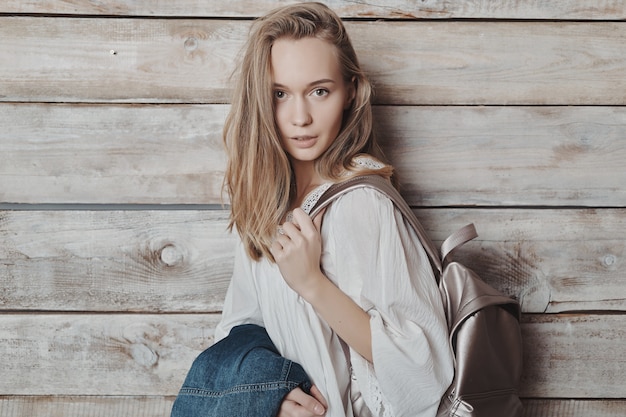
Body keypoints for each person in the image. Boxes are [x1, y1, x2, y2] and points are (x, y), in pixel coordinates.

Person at [202, 3, 452, 416]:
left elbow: (423, 370)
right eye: (280, 94)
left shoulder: (363, 204)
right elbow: (238, 331)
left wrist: (312, 284)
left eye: (320, 91)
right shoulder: (266, 208)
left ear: (350, 91)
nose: (300, 117)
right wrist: (272, 396)